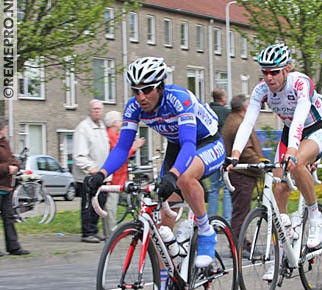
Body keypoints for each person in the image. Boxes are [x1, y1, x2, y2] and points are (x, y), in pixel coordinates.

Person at [84, 57, 223, 272]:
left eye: (147, 90)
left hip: (206, 141)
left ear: (160, 86)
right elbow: (122, 148)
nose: (141, 97)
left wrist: (173, 175)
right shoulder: (134, 107)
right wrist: (101, 174)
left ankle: (206, 232)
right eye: (135, 91)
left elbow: (188, 143)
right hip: (177, 146)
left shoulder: (178, 99)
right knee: (162, 221)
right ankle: (167, 277)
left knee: (184, 177)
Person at [228, 43, 322, 281]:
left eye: (274, 71)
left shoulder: (300, 83)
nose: (269, 77)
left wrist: (293, 152)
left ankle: (314, 216)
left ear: (287, 69)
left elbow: (299, 119)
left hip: (315, 129)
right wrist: (234, 154)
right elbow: (247, 123)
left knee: (295, 164)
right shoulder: (260, 90)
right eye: (264, 72)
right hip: (289, 133)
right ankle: (284, 247)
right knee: (279, 185)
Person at [221, 94, 263, 244]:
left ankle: (238, 242)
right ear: (244, 107)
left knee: (240, 209)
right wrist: (260, 165)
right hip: (242, 173)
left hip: (240, 173)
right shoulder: (238, 123)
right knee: (241, 211)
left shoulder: (234, 120)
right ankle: (238, 244)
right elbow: (245, 151)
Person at [73, 99, 110, 243]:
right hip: (88, 175)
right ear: (90, 110)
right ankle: (87, 232)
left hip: (102, 174)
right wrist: (90, 168)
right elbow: (79, 154)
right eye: (94, 109)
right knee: (88, 203)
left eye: (99, 109)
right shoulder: (83, 128)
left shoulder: (102, 127)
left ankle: (94, 229)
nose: (97, 111)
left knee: (100, 202)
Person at [103, 111, 145, 237]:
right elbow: (120, 154)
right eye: (120, 121)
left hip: (120, 177)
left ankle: (116, 229)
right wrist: (135, 147)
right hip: (114, 178)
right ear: (114, 123)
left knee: (125, 201)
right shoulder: (110, 135)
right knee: (111, 206)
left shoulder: (116, 134)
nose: (122, 123)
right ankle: (110, 233)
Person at [0, 118, 30, 256]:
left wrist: (16, 165)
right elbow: (6, 164)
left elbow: (12, 158)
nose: (6, 130)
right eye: (5, 127)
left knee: (9, 217)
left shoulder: (4, 142)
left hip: (6, 187)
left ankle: (13, 247)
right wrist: (7, 168)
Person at [207, 88, 232, 223]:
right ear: (222, 99)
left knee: (213, 188)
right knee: (227, 188)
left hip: (209, 155)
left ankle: (211, 220)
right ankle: (226, 221)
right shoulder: (227, 113)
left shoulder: (207, 111)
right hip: (223, 153)